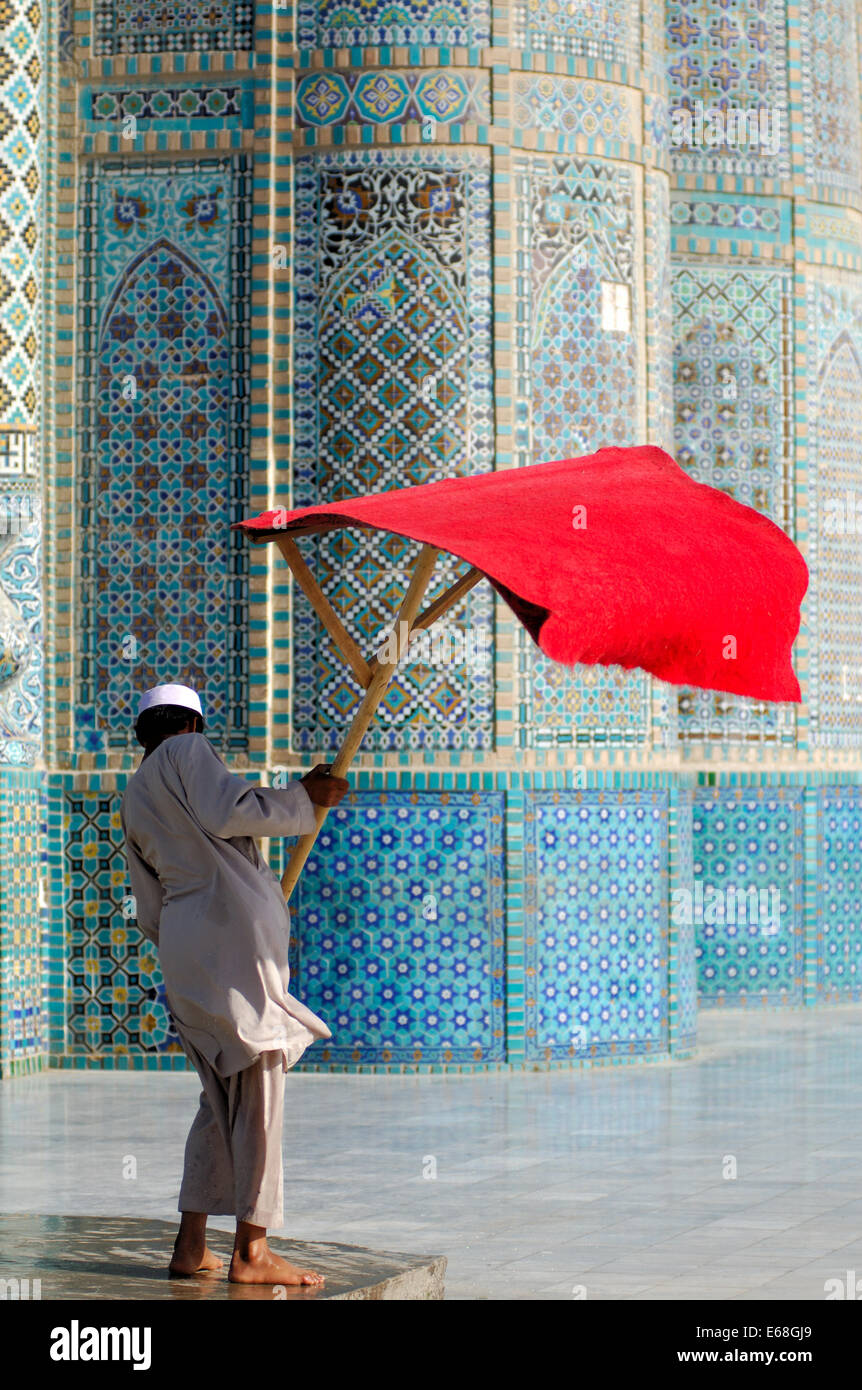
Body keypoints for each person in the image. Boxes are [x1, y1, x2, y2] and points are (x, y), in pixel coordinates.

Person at [120, 682, 349, 1286]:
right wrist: (304, 797)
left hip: (186, 946)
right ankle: (252, 1251)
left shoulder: (136, 792)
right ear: (192, 726)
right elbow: (229, 810)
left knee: (219, 1097)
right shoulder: (186, 754)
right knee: (260, 1085)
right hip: (228, 946)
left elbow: (149, 905)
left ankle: (191, 1245)